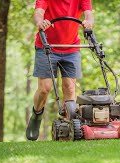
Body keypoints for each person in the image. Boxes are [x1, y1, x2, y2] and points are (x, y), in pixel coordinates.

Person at [26, 0, 94, 141]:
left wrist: (88, 22)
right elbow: (39, 12)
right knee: (45, 88)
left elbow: (89, 14)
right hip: (46, 45)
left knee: (69, 87)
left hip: (71, 48)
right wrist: (40, 22)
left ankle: (68, 127)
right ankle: (36, 115)